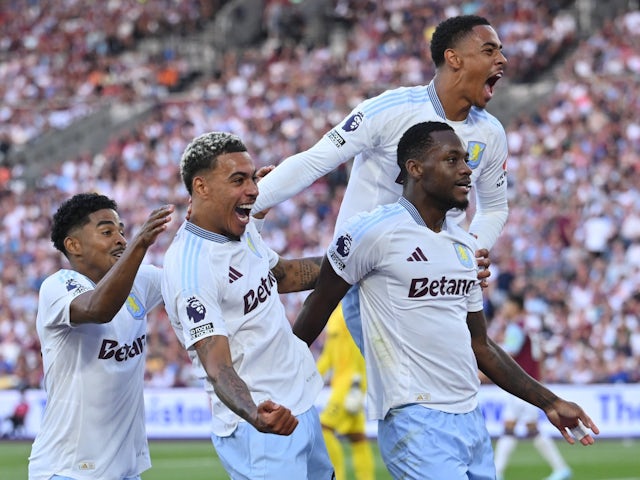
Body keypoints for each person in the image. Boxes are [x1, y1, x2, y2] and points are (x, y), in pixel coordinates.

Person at [293, 122, 599, 480]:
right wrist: (281, 385)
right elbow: (316, 307)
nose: (467, 169)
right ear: (415, 168)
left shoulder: (465, 247)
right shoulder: (371, 232)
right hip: (415, 418)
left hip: (471, 417)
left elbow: (480, 345)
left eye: (466, 160)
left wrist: (550, 402)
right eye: (452, 160)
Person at [253, 14, 508, 351]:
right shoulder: (390, 110)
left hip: (439, 276)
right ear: (454, 58)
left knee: (446, 383)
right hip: (369, 275)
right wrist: (246, 203)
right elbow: (316, 160)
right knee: (408, 387)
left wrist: (473, 247)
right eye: (490, 51)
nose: (502, 59)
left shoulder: (490, 133)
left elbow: (495, 207)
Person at [161, 131, 334, 479]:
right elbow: (217, 366)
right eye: (238, 180)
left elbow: (284, 276)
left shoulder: (239, 229)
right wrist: (255, 414)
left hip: (299, 403)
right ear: (202, 187)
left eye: (252, 177)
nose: (253, 189)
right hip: (264, 427)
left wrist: (354, 261)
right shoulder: (191, 269)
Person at [28, 193, 174, 480]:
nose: (121, 239)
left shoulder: (139, 282)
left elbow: (194, 279)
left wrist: (249, 217)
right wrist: (141, 243)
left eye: (122, 231)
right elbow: (98, 309)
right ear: (74, 245)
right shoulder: (57, 286)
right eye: (107, 232)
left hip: (125, 471)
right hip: (67, 470)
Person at [492, 293, 572, 480]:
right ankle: (497, 471)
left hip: (521, 384)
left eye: (508, 304)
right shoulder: (529, 326)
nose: (505, 308)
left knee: (529, 428)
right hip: (529, 382)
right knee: (511, 427)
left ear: (516, 307)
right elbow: (539, 356)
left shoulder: (516, 327)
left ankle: (561, 469)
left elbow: (508, 355)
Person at [316, 304, 374, 480]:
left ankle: (337, 476)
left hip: (350, 384)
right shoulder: (335, 312)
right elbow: (328, 355)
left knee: (324, 428)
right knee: (358, 438)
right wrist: (310, 379)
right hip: (344, 383)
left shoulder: (349, 309)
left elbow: (359, 344)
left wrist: (358, 380)